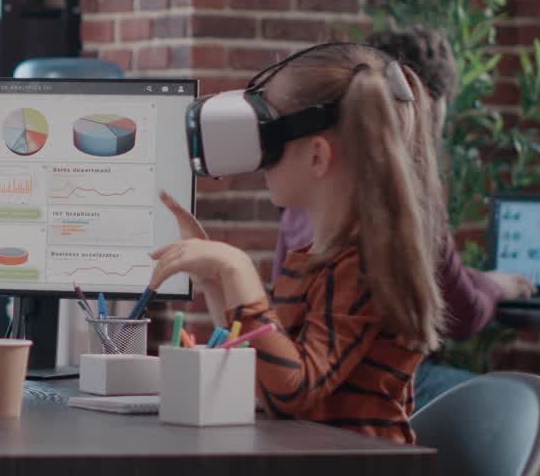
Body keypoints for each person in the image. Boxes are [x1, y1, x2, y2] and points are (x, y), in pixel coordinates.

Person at [151, 42, 447, 444]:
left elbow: (293, 392)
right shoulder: (317, 259)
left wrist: (238, 270)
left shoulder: (363, 267)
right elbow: (262, 379)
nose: (257, 162)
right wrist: (215, 281)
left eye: (267, 144)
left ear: (317, 157)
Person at [272, 28, 536, 408]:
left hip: (319, 381)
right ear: (427, 105)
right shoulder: (407, 201)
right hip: (368, 389)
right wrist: (497, 286)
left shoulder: (309, 192)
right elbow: (462, 315)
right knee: (519, 405)